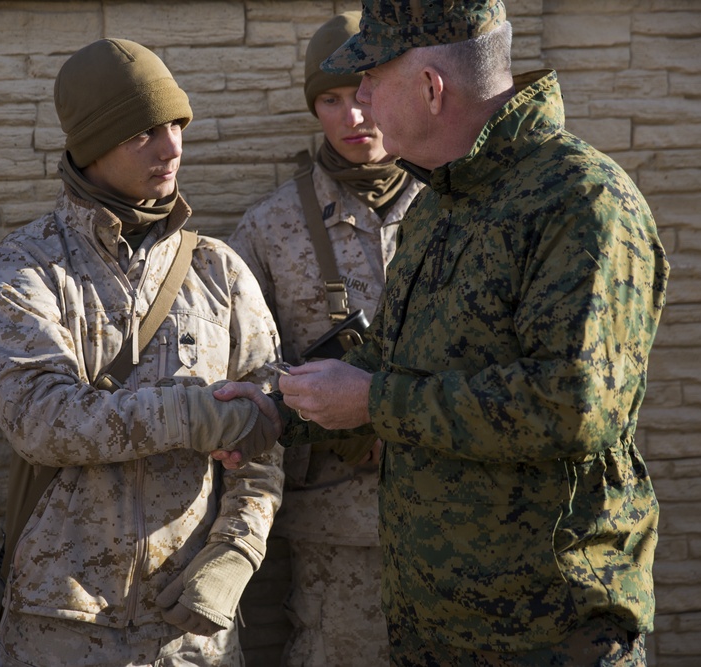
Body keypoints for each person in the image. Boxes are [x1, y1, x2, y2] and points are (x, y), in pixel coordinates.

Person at [215, 0, 670, 664]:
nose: (361, 100)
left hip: (544, 635)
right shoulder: (445, 202)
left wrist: (373, 403)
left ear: (431, 88)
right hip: (438, 630)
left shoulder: (579, 202)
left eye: (372, 78)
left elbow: (573, 404)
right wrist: (278, 411)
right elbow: (388, 359)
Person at [0, 38, 285, 667]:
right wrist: (194, 415)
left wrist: (234, 555)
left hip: (191, 631)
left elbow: (267, 427)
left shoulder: (218, 270)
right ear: (91, 145)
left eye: (176, 124)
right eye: (143, 131)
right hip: (60, 625)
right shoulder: (28, 267)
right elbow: (40, 420)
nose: (172, 147)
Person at [228, 11, 421, 666]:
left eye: (365, 92)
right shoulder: (267, 227)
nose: (353, 116)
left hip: (462, 512)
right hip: (340, 532)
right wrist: (323, 407)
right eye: (331, 99)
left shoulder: (454, 209)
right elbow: (239, 368)